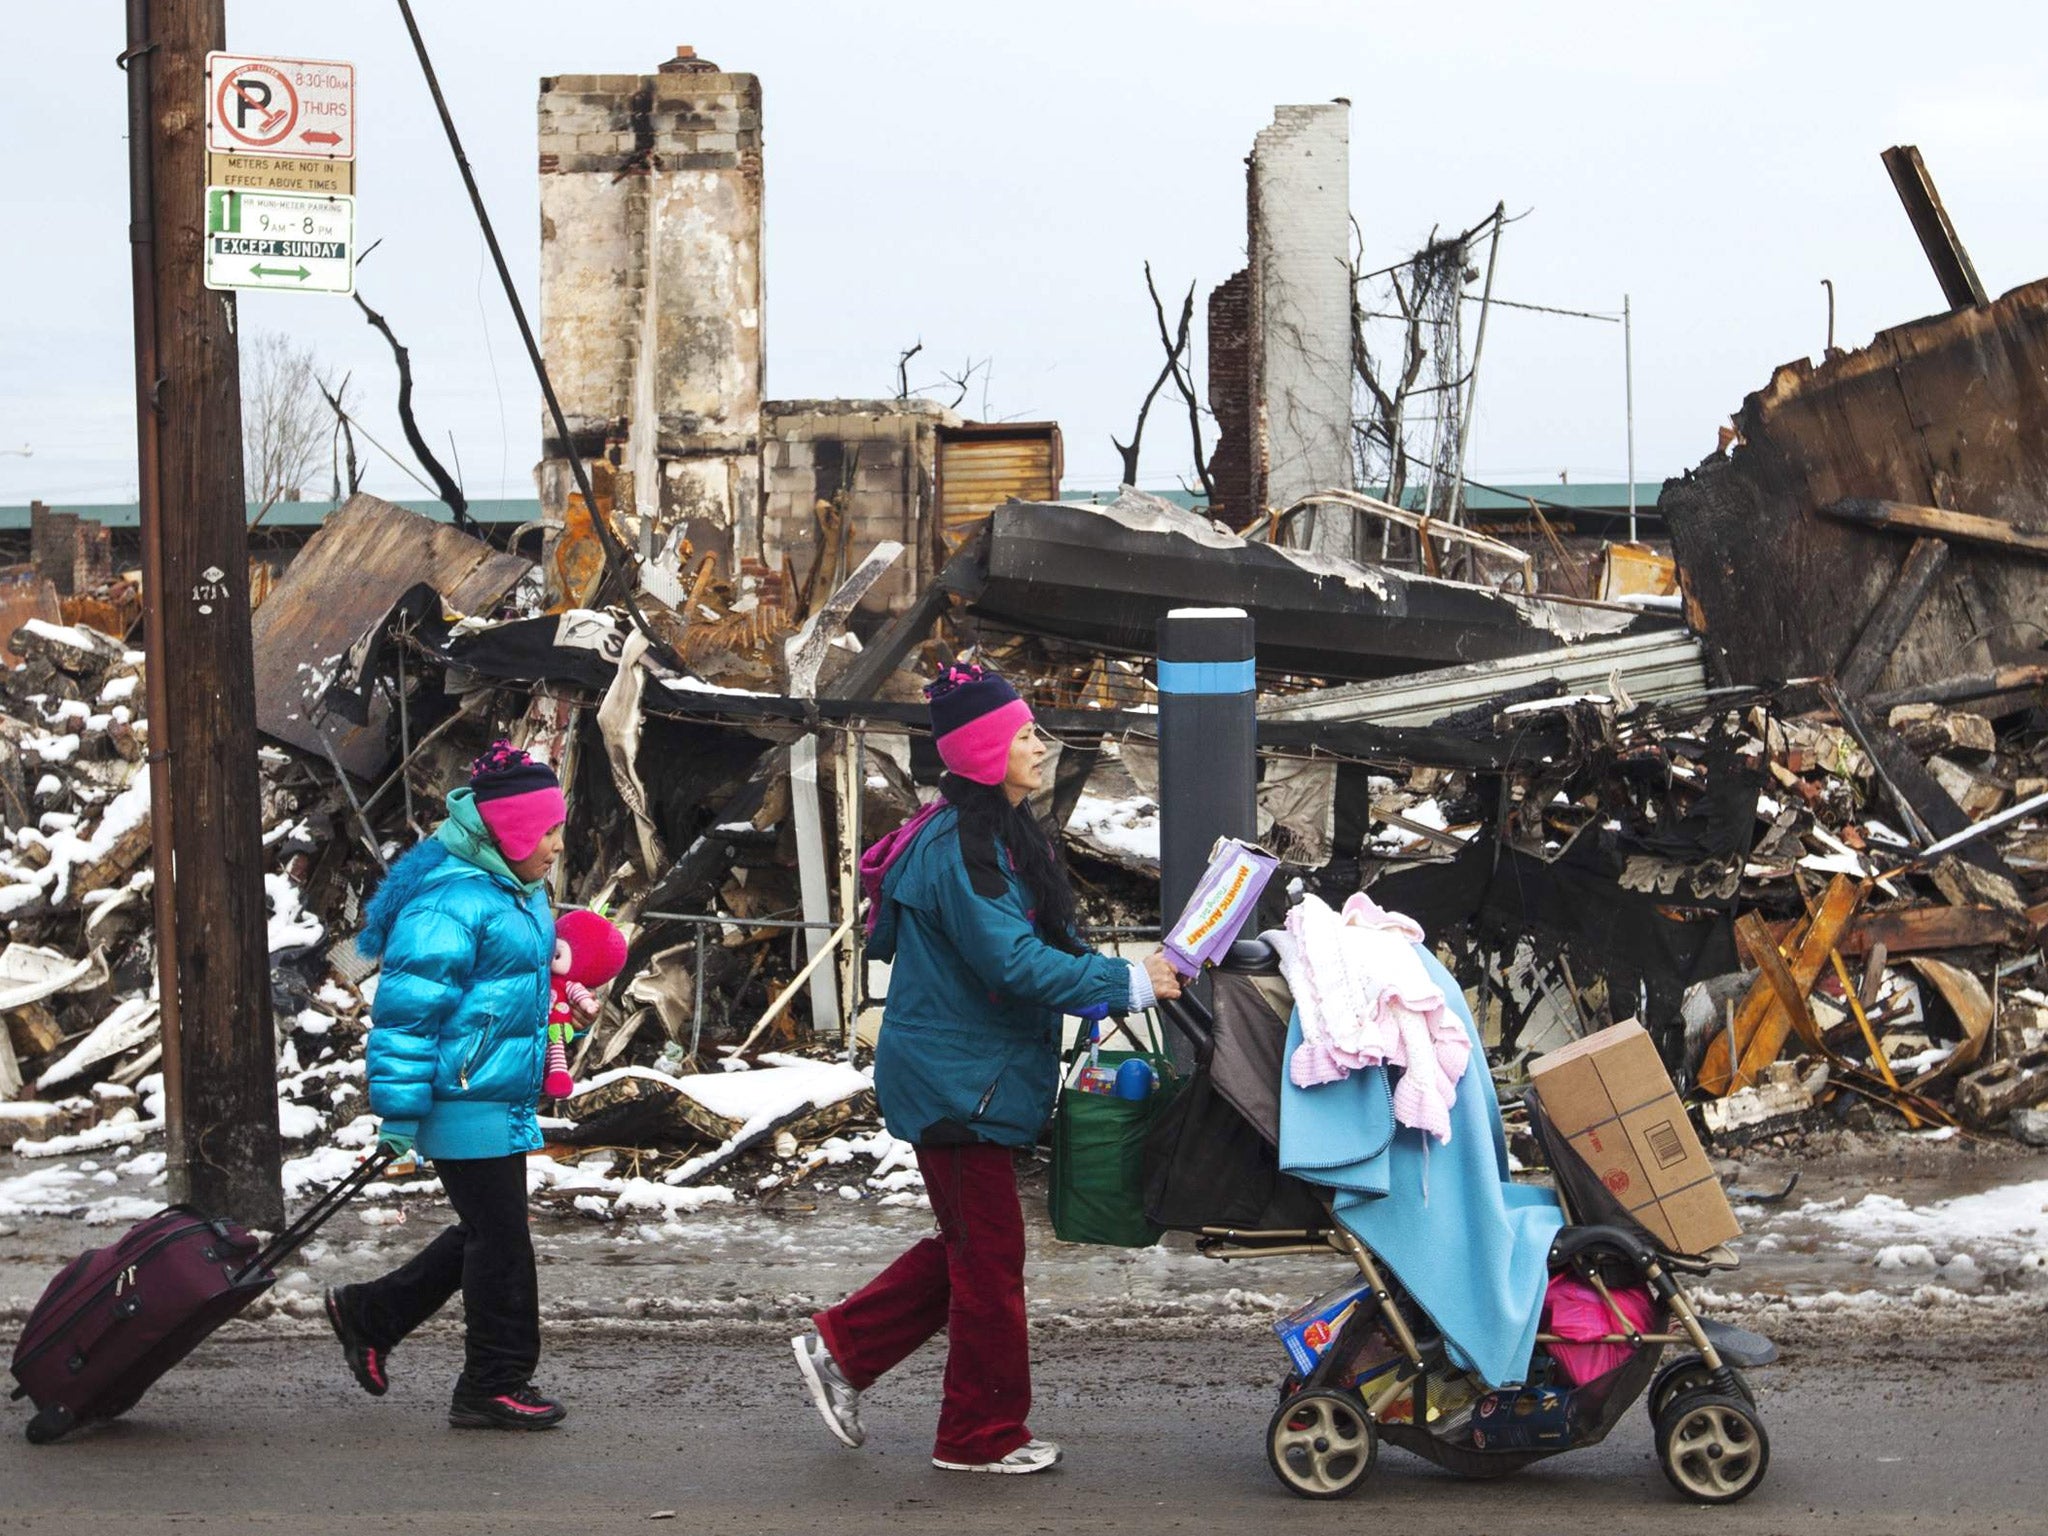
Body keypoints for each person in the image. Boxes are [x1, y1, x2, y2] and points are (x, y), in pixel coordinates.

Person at [791, 662, 1183, 1474]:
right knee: (990, 1261)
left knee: (977, 1249)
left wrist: (1131, 972)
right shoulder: (962, 847)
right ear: (982, 755)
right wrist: (1127, 982)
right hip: (954, 1085)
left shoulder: (998, 833)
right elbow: (1013, 963)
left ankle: (843, 1347)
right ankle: (977, 1434)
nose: (1041, 746)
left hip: (971, 1074)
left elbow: (1046, 944)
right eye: (1025, 735)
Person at [322, 742, 570, 1431]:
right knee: (502, 1244)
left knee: (489, 1232)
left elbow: (511, 973)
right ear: (510, 832)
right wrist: (398, 1113)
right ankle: (493, 1383)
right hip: (462, 1094)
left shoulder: (510, 889)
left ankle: (371, 1314)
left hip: (496, 1091)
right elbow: (405, 1017)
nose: (555, 845)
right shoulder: (451, 901)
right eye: (547, 831)